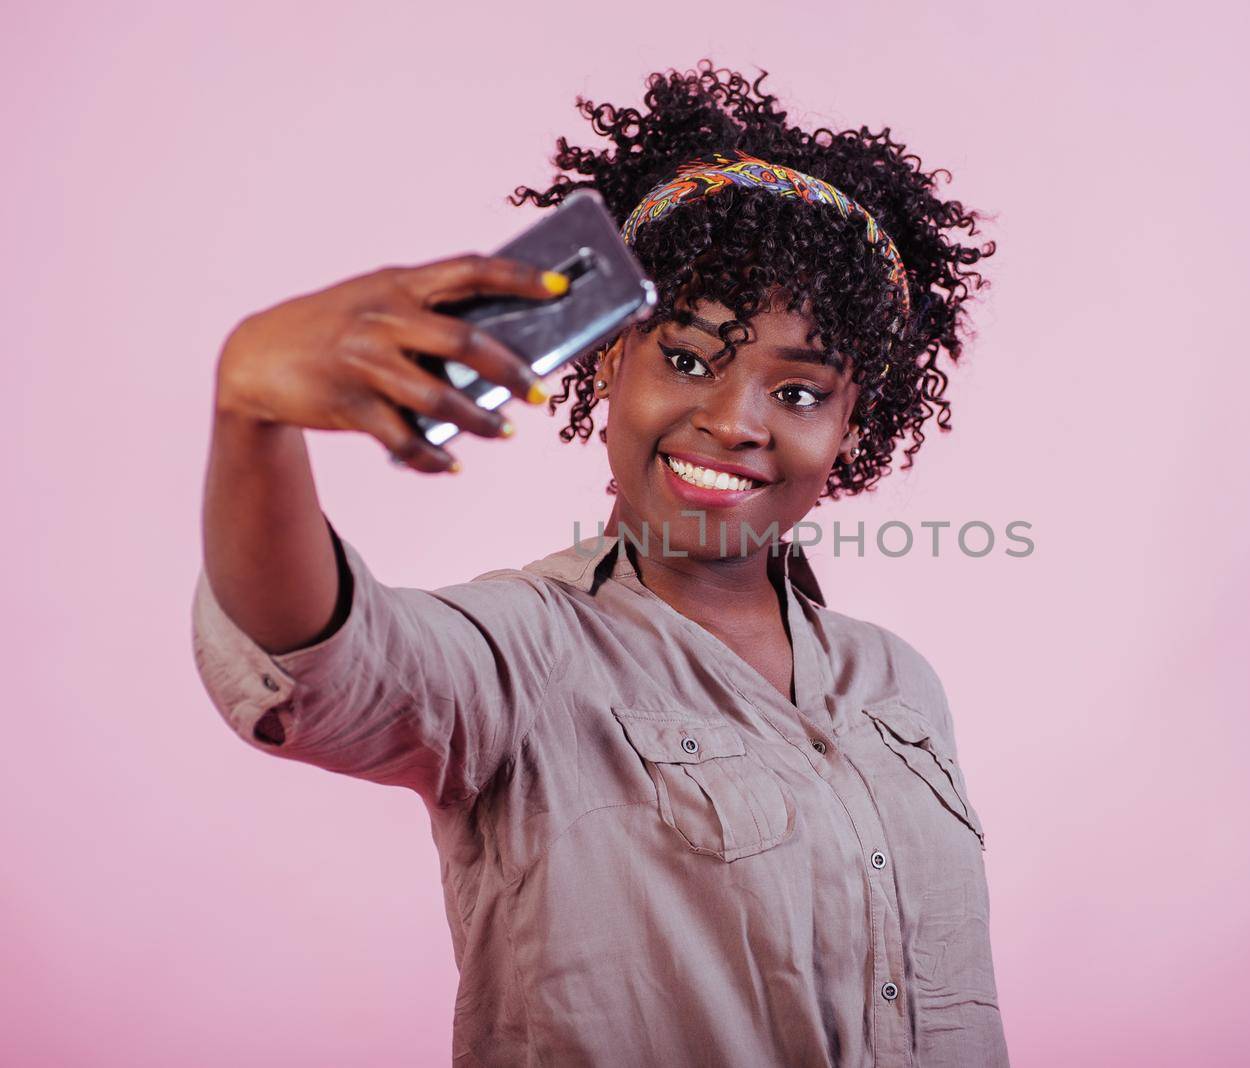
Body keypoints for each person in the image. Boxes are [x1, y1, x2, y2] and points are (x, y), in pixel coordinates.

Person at [192, 61, 1005, 1067]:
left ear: (851, 428)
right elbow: (320, 654)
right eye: (690, 358)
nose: (733, 422)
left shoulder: (900, 682)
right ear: (611, 359)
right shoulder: (522, 651)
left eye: (798, 393)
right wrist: (253, 418)